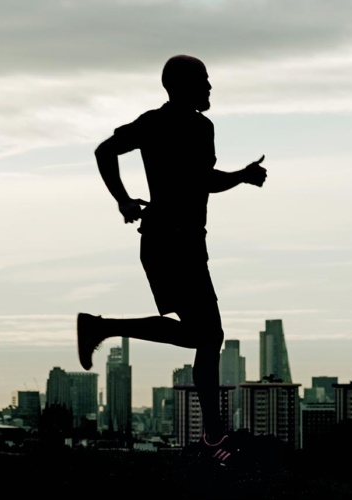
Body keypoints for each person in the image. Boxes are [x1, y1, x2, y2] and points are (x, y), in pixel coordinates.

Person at [77, 54, 267, 465]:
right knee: (208, 335)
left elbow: (105, 151)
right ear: (181, 86)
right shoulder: (197, 126)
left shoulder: (153, 122)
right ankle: (214, 437)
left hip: (173, 241)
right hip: (174, 242)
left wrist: (124, 200)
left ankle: (212, 435)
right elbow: (204, 180)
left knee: (205, 336)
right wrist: (243, 176)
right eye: (204, 80)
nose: (211, 87)